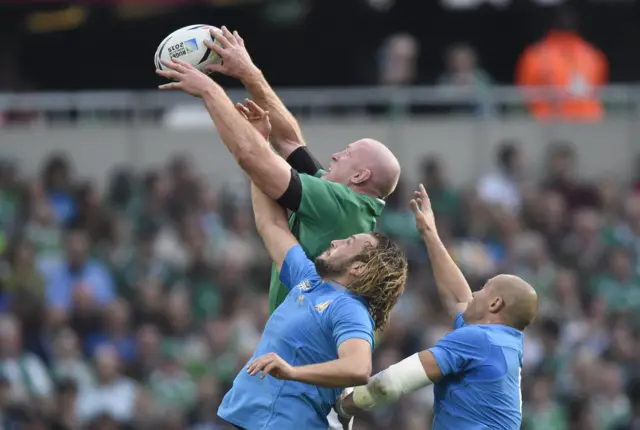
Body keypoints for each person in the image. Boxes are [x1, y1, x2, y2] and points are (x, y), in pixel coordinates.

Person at [157, 29, 401, 428]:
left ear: (360, 174)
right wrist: (249, 74)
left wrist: (210, 91)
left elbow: (253, 156)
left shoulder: (341, 207)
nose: (335, 153)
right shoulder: (336, 208)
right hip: (286, 364)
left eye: (348, 151)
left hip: (298, 381)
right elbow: (288, 144)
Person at [335, 184, 538, 430]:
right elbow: (458, 299)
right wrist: (429, 234)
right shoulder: (503, 342)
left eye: (484, 288)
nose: (474, 292)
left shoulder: (478, 340)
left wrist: (343, 408)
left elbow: (393, 382)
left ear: (495, 303)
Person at [215, 183, 407, 429]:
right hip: (250, 420)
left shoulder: (350, 308)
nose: (336, 242)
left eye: (347, 243)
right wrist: (257, 158)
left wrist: (292, 372)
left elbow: (359, 367)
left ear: (358, 268)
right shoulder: (310, 280)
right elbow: (271, 224)